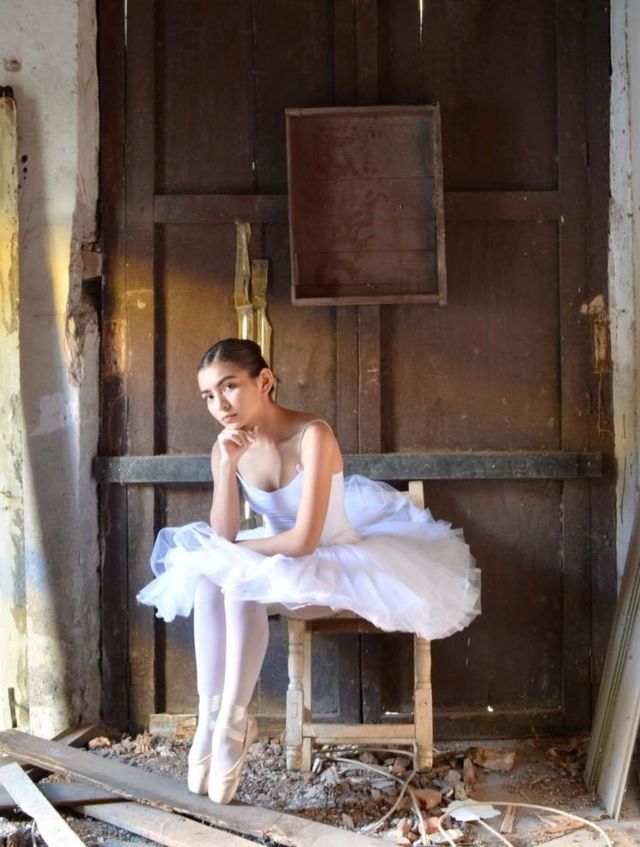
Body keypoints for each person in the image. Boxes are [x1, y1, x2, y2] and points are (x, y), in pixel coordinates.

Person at [137, 338, 481, 805]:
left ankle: (235, 723)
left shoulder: (313, 435)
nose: (220, 405)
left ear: (264, 380)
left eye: (229, 387)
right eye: (209, 396)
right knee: (210, 578)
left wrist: (235, 553)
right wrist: (226, 466)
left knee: (238, 581)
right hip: (276, 563)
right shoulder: (227, 446)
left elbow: (303, 541)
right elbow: (223, 534)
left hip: (335, 564)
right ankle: (210, 718)